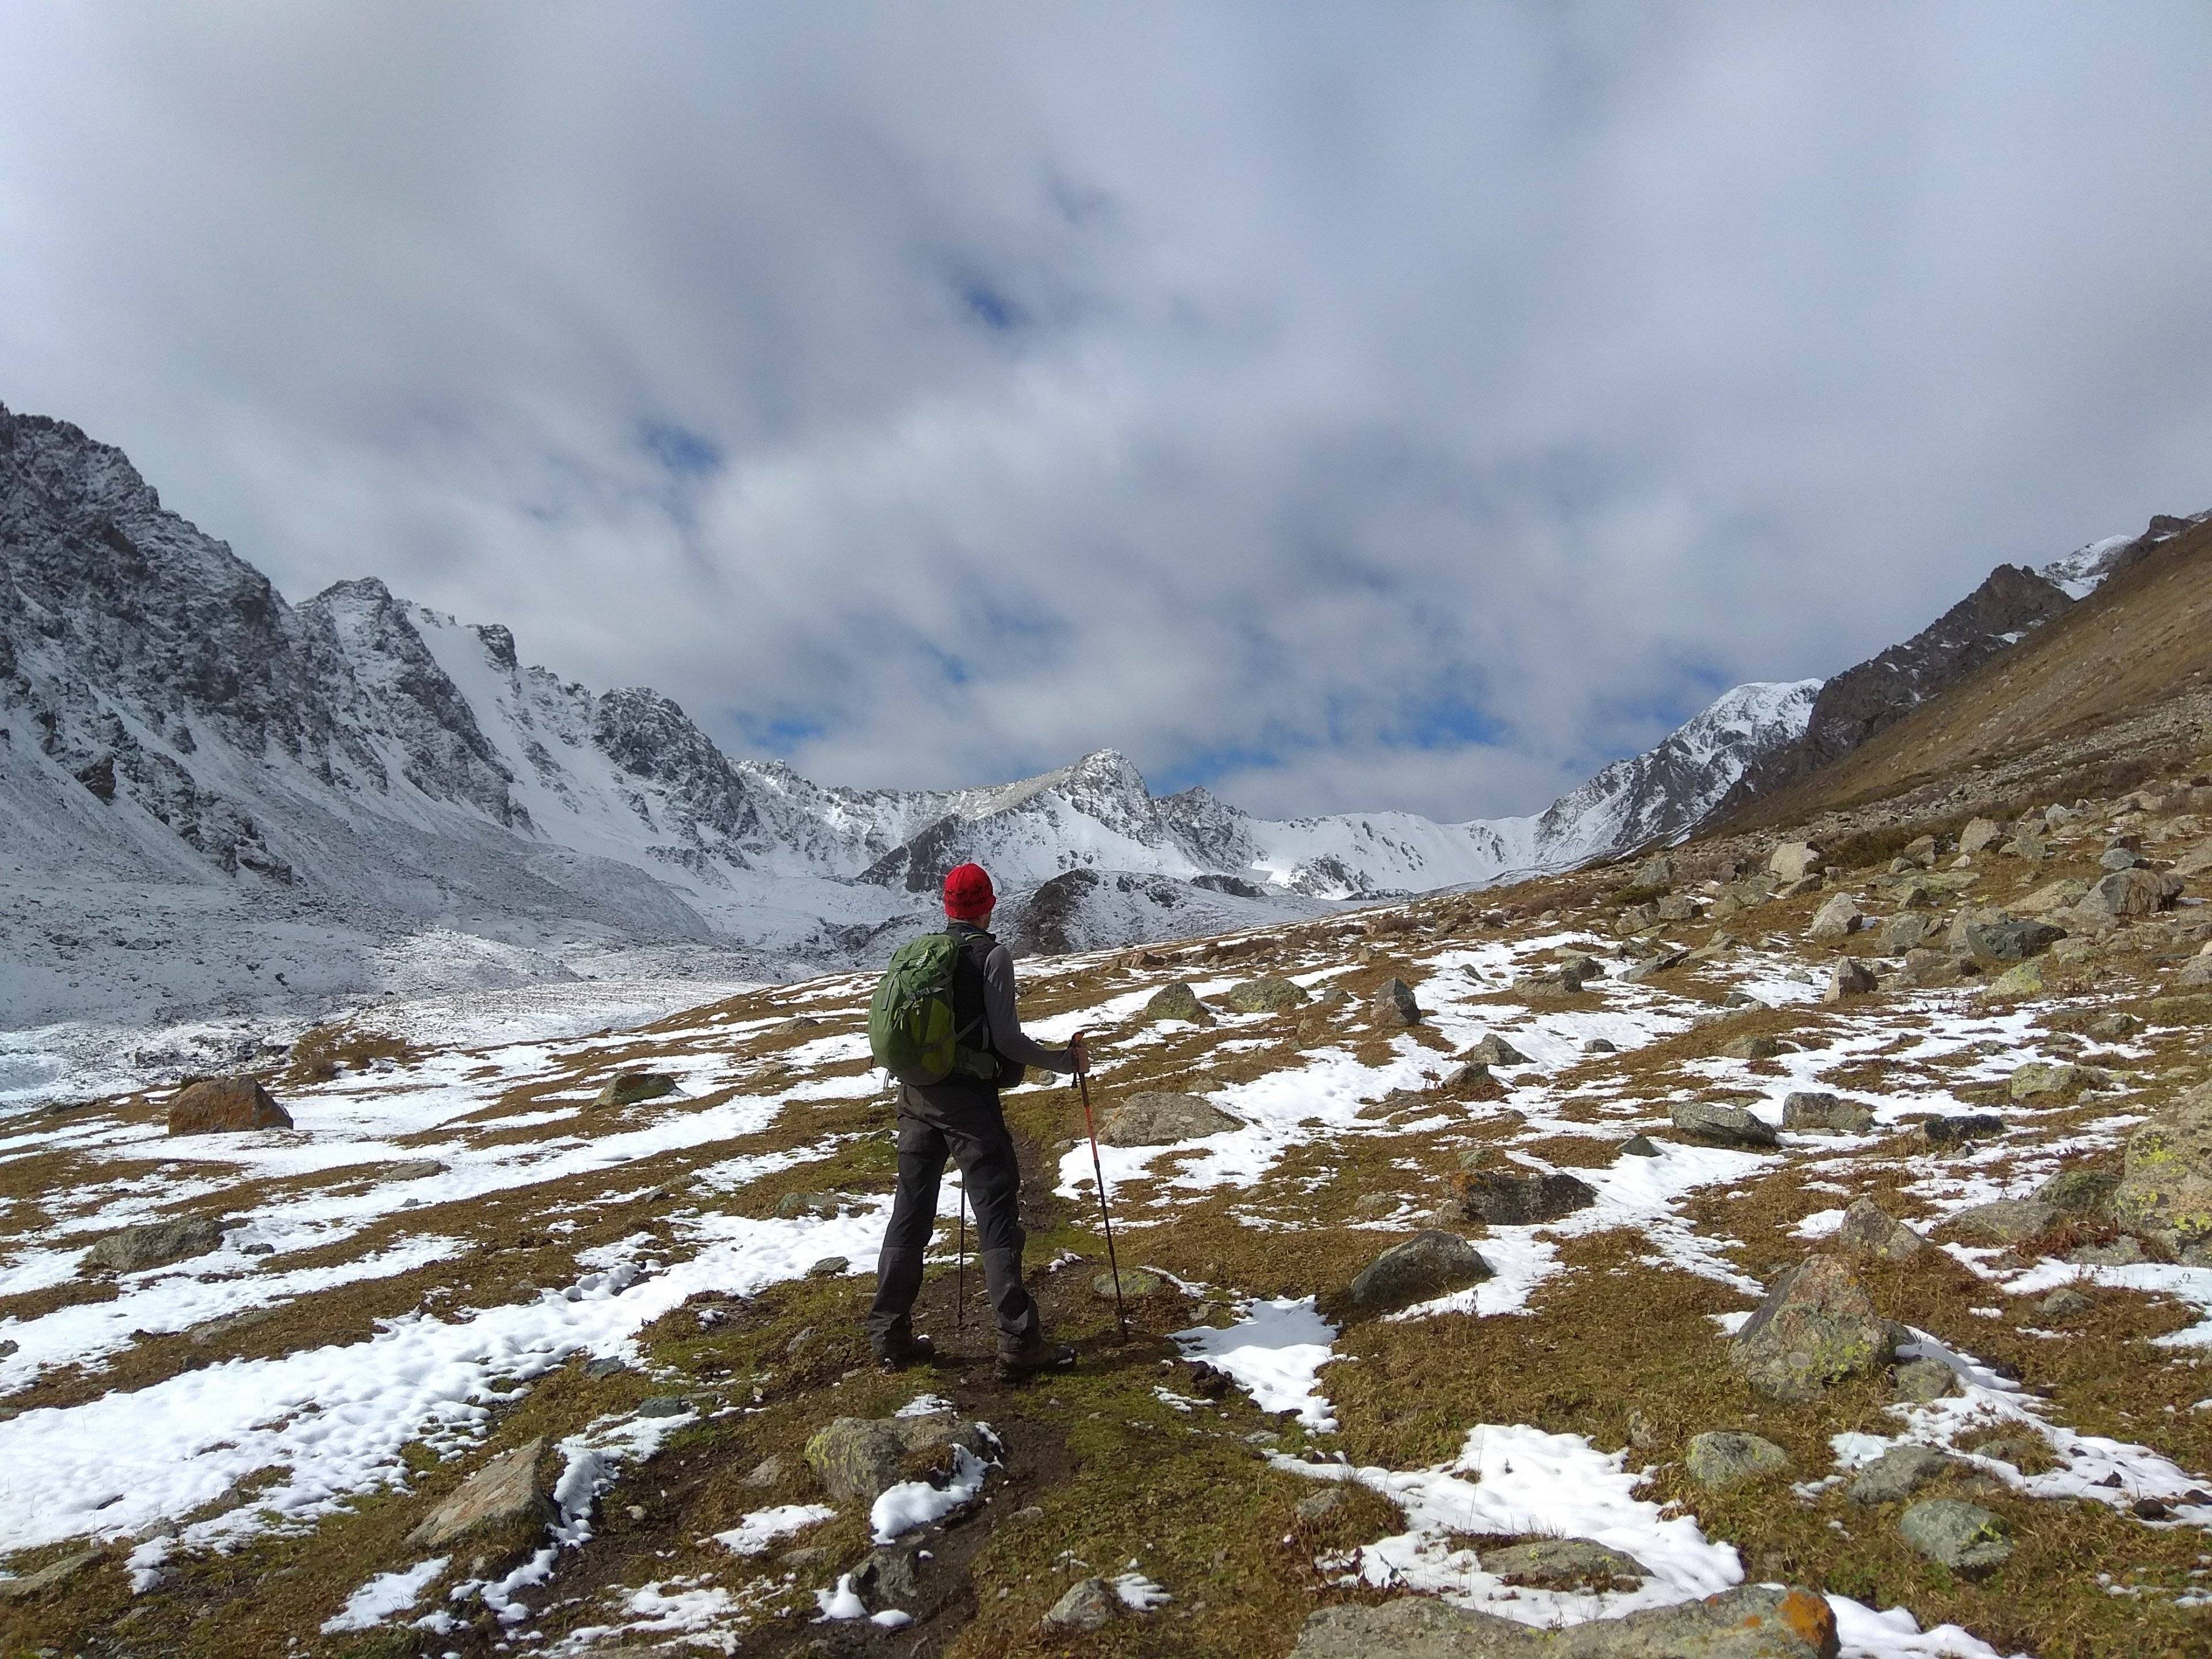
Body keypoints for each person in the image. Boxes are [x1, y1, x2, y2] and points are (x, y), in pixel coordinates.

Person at [868, 862, 1089, 1377]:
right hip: (969, 1102)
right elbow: (1008, 1041)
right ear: (989, 904)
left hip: (917, 1096)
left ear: (947, 906)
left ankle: (889, 1334)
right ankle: (1017, 1342)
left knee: (911, 1210)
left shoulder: (923, 956)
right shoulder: (992, 955)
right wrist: (1063, 1061)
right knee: (995, 1207)